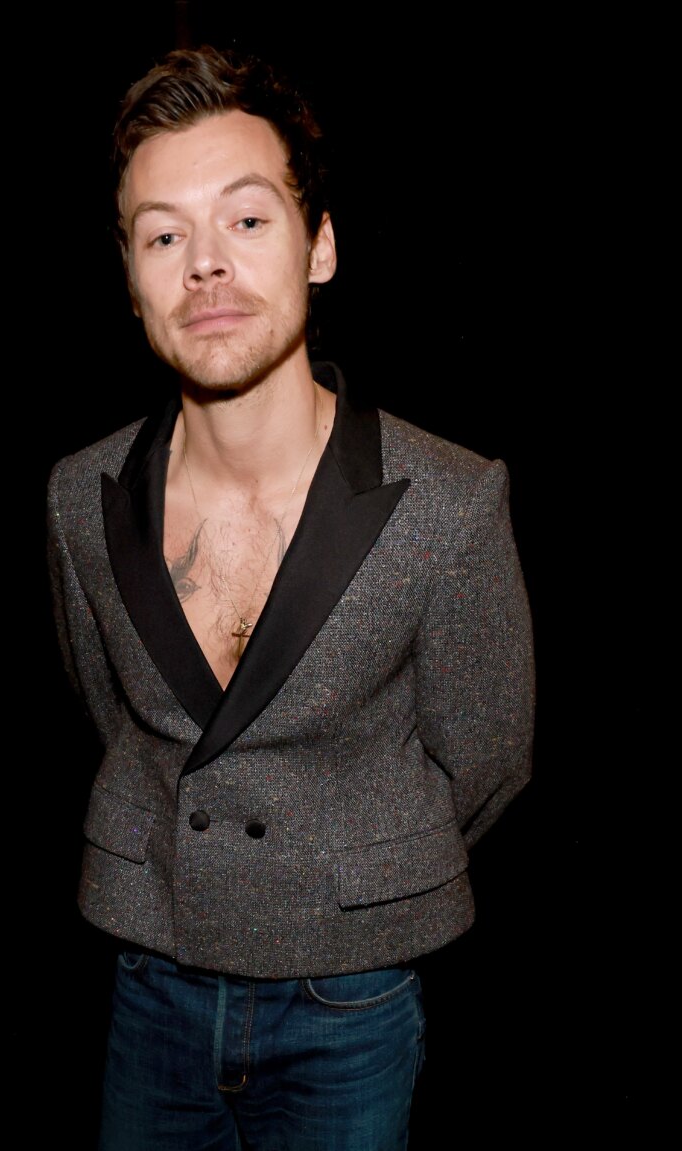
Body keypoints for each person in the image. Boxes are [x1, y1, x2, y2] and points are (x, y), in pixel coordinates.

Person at [46, 43, 536, 1151]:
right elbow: (109, 711)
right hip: (147, 978)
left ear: (319, 246)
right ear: (131, 277)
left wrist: (345, 868)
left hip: (349, 997)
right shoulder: (80, 495)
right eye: (164, 236)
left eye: (246, 219)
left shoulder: (452, 501)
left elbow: (488, 760)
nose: (205, 266)